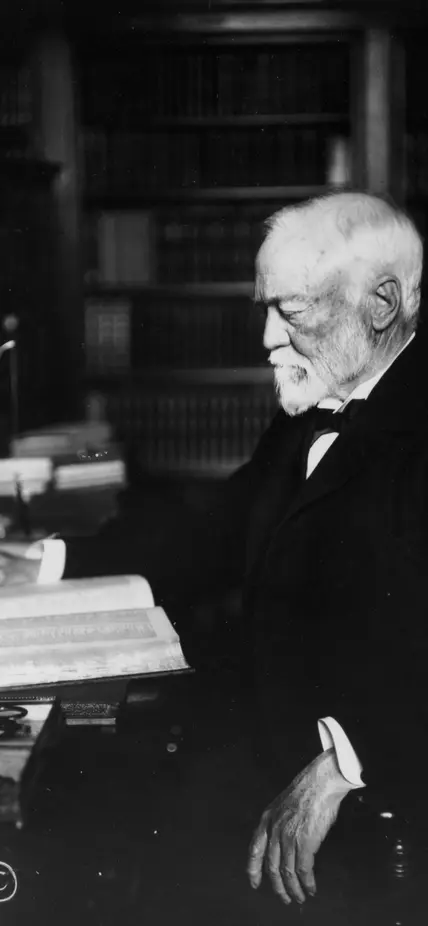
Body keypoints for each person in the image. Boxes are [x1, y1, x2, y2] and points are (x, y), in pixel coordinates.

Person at [62, 190, 428, 910]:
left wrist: (344, 765)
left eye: (289, 312)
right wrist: (47, 562)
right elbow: (211, 534)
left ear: (381, 304)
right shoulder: (320, 401)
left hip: (379, 790)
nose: (265, 339)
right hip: (261, 742)